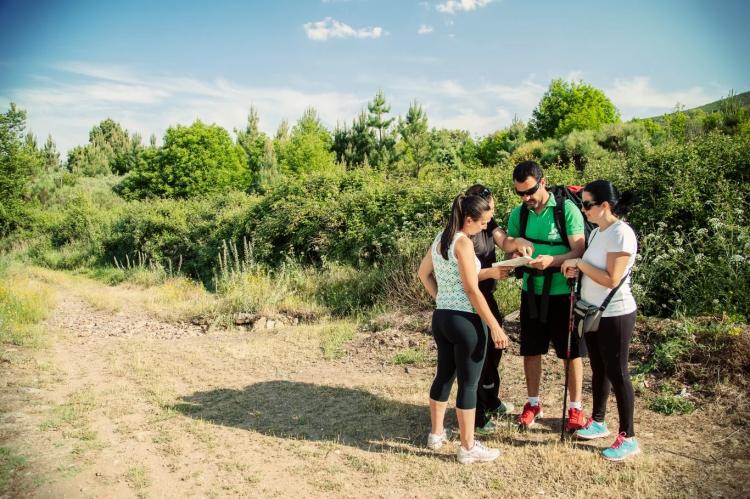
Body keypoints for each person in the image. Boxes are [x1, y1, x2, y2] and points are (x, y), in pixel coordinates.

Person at [417, 192, 509, 464]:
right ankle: (468, 447)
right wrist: (494, 326)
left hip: (442, 318)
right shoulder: (464, 244)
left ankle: (436, 434)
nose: (485, 228)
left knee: (444, 375)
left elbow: (423, 274)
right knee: (469, 384)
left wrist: (441, 299)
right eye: (482, 223)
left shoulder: (440, 239)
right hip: (466, 321)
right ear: (469, 219)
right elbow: (471, 288)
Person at [506, 161, 590, 432]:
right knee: (531, 350)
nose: (526, 198)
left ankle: (575, 409)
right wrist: (516, 254)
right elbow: (510, 250)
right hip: (531, 290)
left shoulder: (567, 210)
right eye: (520, 193)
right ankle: (533, 403)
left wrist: (552, 260)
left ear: (543, 182)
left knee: (570, 353)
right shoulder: (519, 214)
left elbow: (580, 252)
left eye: (529, 191)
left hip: (563, 293)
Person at [561, 180, 640, 461]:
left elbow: (612, 278)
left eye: (587, 204)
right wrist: (577, 272)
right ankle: (598, 421)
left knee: (618, 372)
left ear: (605, 206)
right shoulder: (596, 233)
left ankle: (628, 436)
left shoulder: (621, 234)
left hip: (615, 313)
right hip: (592, 311)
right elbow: (592, 270)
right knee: (598, 368)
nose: (583, 209)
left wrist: (581, 264)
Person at [463, 184, 518, 435]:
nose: (491, 215)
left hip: (487, 295)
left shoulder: (487, 223)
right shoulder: (464, 234)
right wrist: (491, 272)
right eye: (488, 210)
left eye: (492, 210)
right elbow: (464, 277)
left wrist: (519, 246)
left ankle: (491, 398)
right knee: (479, 355)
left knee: (495, 349)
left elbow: (504, 241)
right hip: (472, 299)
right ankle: (477, 414)